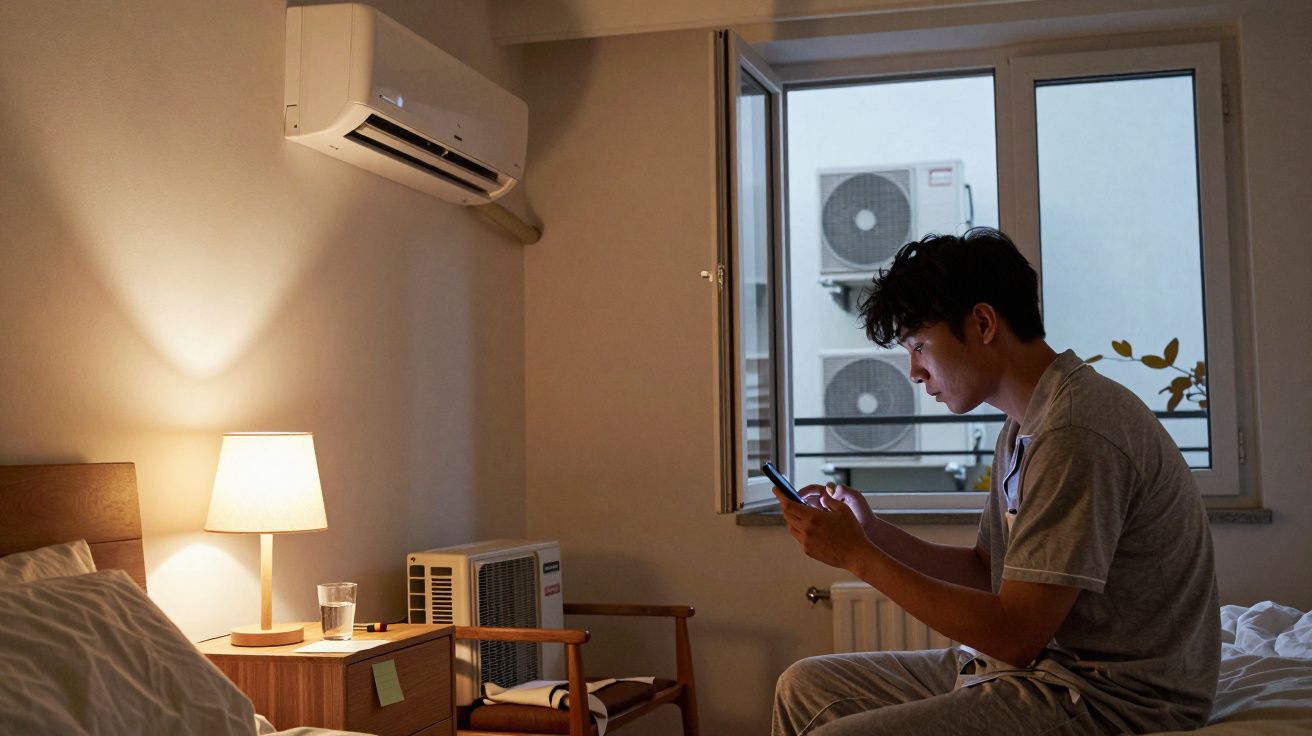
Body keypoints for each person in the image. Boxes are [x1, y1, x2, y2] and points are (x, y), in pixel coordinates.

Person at [771, 228, 1219, 736]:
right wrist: (871, 532)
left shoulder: (1074, 430)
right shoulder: (1022, 424)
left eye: (919, 346)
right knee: (804, 685)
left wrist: (857, 557)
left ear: (982, 322)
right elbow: (989, 568)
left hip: (1111, 697)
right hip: (1042, 670)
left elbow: (1015, 633)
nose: (914, 372)